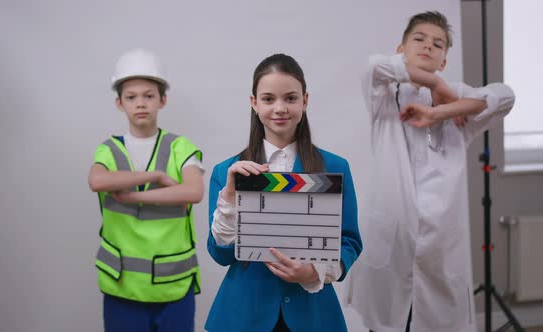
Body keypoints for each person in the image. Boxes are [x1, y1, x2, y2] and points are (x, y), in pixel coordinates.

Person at [346, 11, 515, 332]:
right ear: (401, 49)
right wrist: (435, 82)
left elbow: (506, 96)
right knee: (387, 323)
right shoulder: (385, 97)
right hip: (393, 244)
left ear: (445, 61)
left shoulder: (457, 107)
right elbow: (371, 65)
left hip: (440, 250)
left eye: (438, 44)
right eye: (419, 39)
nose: (428, 47)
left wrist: (441, 110)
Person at [205, 53, 362, 332]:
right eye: (268, 99)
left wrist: (314, 272)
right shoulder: (226, 171)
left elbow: (349, 241)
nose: (280, 108)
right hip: (244, 315)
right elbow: (221, 254)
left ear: (305, 101)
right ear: (254, 103)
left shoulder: (335, 167)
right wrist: (230, 195)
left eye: (290, 98)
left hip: (312, 314)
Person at [88, 48, 204, 332]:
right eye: (131, 97)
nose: (140, 103)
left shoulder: (181, 147)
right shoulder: (109, 149)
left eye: (149, 95)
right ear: (119, 103)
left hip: (173, 286)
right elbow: (97, 181)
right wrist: (156, 175)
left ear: (162, 100)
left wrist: (135, 196)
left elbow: (194, 191)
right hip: (122, 286)